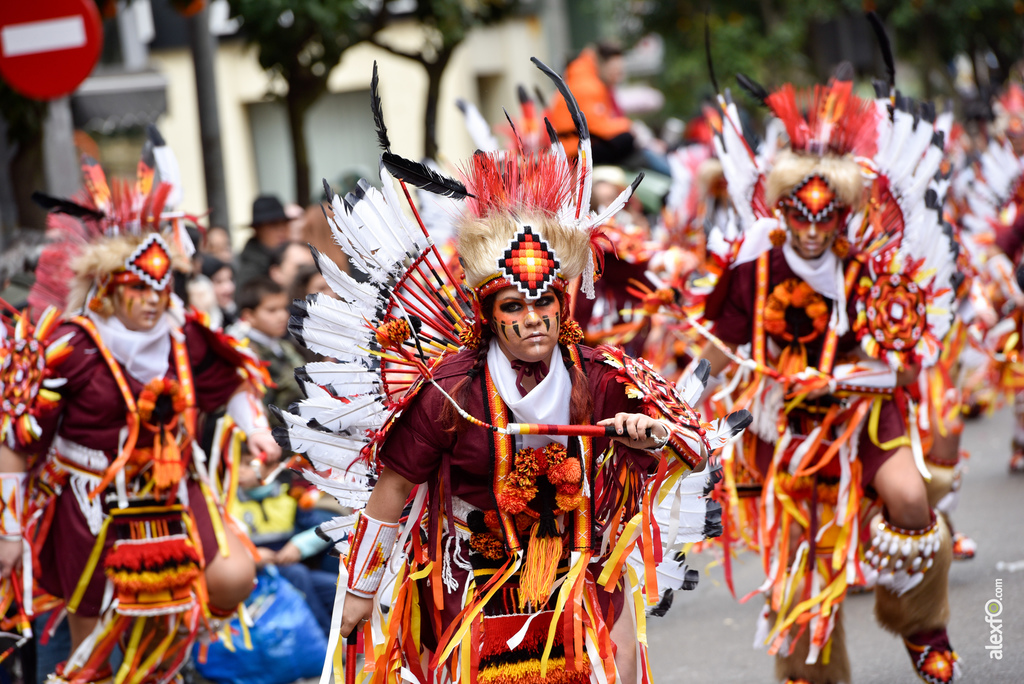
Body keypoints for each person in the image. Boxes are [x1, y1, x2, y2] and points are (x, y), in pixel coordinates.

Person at [278, 59, 747, 684]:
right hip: (476, 579)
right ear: (489, 313)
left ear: (564, 305)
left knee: (618, 654)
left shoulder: (602, 374)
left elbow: (691, 440)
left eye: (545, 303)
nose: (533, 319)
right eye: (515, 306)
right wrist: (361, 590)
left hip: (581, 569)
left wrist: (645, 434)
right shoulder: (451, 390)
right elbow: (392, 491)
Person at [698, 72, 960, 683]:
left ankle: (924, 627)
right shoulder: (752, 268)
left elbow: (900, 355)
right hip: (784, 431)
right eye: (800, 213)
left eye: (827, 216)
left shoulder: (870, 266)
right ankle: (807, 670)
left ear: (844, 211)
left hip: (863, 418)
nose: (814, 229)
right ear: (781, 207)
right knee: (795, 554)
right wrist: (682, 389)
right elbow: (721, 342)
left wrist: (839, 376)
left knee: (909, 498)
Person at [0, 157, 282, 682]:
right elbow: (16, 437)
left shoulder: (185, 334)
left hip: (172, 488)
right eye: (140, 290)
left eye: (161, 289)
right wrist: (9, 530)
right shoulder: (72, 346)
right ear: (107, 288)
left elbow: (235, 376)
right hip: (91, 502)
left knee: (229, 577)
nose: (154, 302)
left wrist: (258, 434)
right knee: (96, 645)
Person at [547, 40, 670, 175]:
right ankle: (669, 173)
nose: (618, 76)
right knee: (626, 139)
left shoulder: (590, 82)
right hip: (574, 151)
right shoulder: (587, 86)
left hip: (577, 145)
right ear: (601, 64)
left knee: (631, 142)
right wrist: (630, 127)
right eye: (615, 71)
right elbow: (596, 126)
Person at [235, 277, 306, 421]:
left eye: (283, 308)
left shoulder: (284, 346)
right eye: (272, 310)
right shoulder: (246, 353)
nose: (282, 315)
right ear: (249, 316)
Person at [236, 195, 291, 293]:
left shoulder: (292, 255)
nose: (282, 229)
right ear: (258, 229)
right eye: (273, 224)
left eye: (285, 223)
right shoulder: (248, 268)